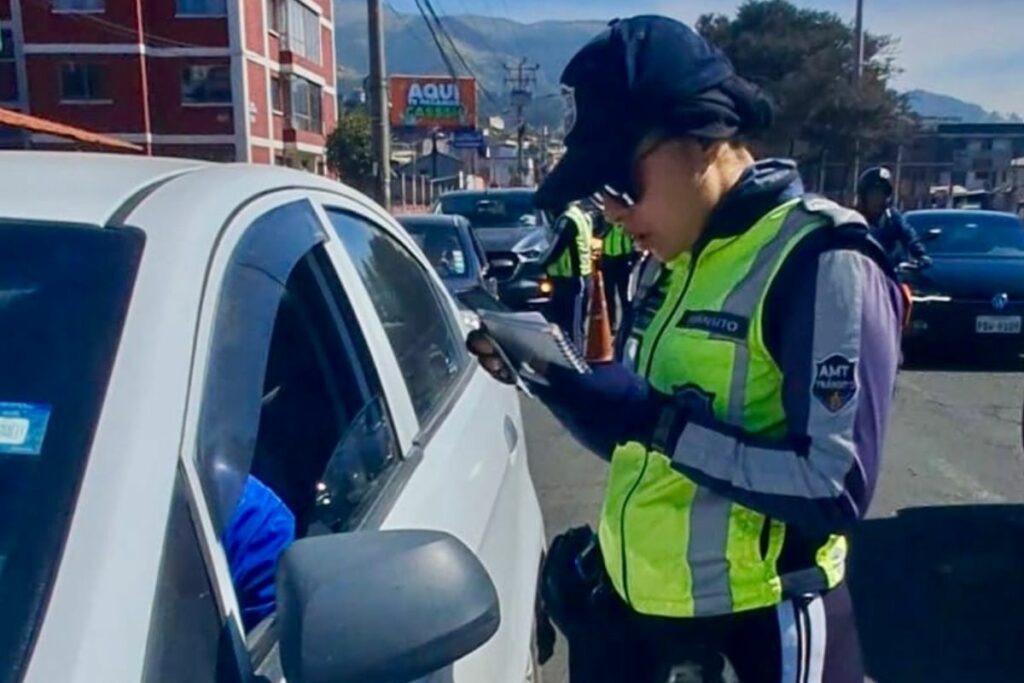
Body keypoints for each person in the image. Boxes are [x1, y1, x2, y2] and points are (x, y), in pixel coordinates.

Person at [469, 16, 904, 683]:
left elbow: (833, 485)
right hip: (647, 619)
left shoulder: (821, 260)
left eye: (618, 182)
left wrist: (652, 419)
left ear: (701, 138)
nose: (610, 211)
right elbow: (650, 442)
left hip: (761, 631)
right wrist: (561, 386)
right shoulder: (674, 261)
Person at [542, 200, 594, 348]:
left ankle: (578, 363)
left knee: (573, 326)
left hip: (575, 280)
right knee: (562, 323)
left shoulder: (568, 220)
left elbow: (555, 249)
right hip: (566, 279)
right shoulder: (580, 215)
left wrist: (539, 264)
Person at [857, 166, 930, 266]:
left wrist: (920, 254)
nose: (878, 198)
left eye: (882, 194)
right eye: (873, 193)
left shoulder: (892, 217)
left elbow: (908, 236)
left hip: (889, 273)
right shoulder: (854, 219)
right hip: (862, 271)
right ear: (864, 196)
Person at [601, 218, 637, 330]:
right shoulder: (604, 220)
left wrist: (633, 258)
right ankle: (611, 324)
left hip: (622, 260)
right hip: (607, 259)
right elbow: (598, 234)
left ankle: (627, 324)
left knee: (624, 295)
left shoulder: (627, 219)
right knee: (608, 294)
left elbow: (634, 239)